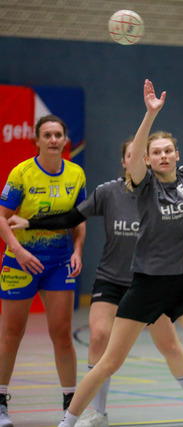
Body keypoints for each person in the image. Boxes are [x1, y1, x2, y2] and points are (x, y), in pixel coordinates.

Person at [58, 66, 183, 427]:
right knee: (108, 363)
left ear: (177, 154)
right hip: (146, 285)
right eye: (156, 152)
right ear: (147, 160)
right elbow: (133, 155)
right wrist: (150, 114)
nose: (163, 155)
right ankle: (68, 423)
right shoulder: (144, 186)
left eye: (168, 150)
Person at [10, 139, 183, 426]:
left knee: (169, 345)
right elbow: (72, 217)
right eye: (131, 155)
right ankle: (98, 411)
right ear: (126, 161)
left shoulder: (161, 192)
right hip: (112, 279)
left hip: (149, 282)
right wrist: (30, 223)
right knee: (99, 337)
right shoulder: (108, 193)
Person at [0, 115, 87, 427]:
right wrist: (19, 251)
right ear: (36, 140)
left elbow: (78, 219)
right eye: (47, 135)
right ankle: (0, 402)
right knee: (12, 333)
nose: (53, 140)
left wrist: (77, 251)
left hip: (59, 262)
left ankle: (70, 405)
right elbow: (2, 217)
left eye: (58, 135)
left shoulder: (75, 174)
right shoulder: (22, 173)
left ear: (65, 140)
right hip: (20, 261)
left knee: (62, 333)